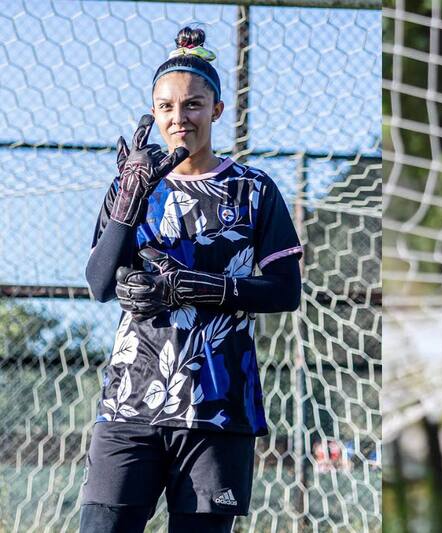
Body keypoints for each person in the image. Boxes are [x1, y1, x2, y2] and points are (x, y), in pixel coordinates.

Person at [82, 26, 302, 533]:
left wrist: (212, 288)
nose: (179, 118)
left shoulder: (253, 189)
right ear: (154, 113)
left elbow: (286, 291)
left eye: (193, 105)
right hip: (129, 404)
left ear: (217, 110)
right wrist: (129, 201)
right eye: (166, 107)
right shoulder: (129, 185)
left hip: (217, 408)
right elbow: (98, 283)